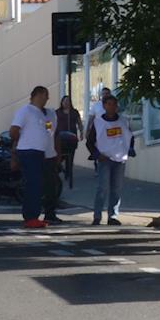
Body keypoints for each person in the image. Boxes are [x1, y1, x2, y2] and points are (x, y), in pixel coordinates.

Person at [9, 85, 54, 229]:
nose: (47, 99)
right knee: (33, 184)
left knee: (37, 184)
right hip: (29, 151)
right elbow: (14, 130)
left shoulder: (43, 114)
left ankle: (34, 216)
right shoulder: (26, 111)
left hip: (39, 152)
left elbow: (49, 130)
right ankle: (30, 217)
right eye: (45, 95)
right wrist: (17, 146)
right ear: (38, 95)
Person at [87, 93, 134, 225]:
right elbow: (89, 142)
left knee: (117, 188)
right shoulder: (98, 122)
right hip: (104, 159)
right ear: (104, 106)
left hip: (120, 159)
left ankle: (113, 216)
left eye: (114, 104)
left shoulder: (123, 121)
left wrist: (129, 149)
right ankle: (97, 216)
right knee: (102, 188)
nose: (112, 107)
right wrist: (97, 155)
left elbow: (130, 137)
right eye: (109, 104)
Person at [53, 95, 82, 190]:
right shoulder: (57, 112)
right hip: (60, 138)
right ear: (61, 102)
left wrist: (81, 132)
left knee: (70, 157)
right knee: (60, 156)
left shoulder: (74, 112)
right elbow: (50, 123)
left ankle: (68, 173)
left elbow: (79, 123)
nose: (66, 103)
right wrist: (49, 133)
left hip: (72, 137)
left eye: (68, 101)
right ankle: (59, 170)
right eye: (64, 101)